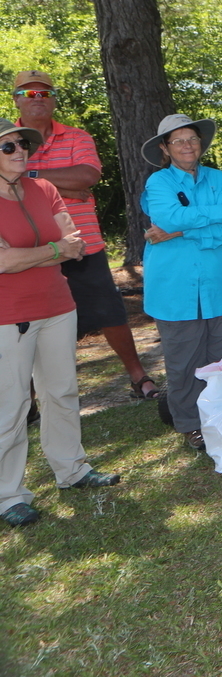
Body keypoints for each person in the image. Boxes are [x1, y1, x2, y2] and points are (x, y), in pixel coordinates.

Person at [11, 69, 160, 402]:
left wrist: (32, 175)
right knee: (28, 321)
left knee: (110, 312)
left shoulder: (77, 137)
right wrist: (63, 186)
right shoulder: (8, 139)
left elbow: (86, 176)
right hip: (31, 249)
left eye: (44, 93)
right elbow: (8, 183)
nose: (37, 100)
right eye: (28, 93)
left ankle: (138, 378)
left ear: (53, 99)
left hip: (82, 243)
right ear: (15, 98)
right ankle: (28, 399)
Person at [0, 118, 121, 528]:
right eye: (8, 147)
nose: (20, 152)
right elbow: (4, 261)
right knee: (13, 404)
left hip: (57, 306)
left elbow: (78, 246)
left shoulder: (46, 189)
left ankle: (72, 470)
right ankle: (9, 495)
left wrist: (37, 253)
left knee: (63, 392)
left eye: (23, 145)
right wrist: (54, 249)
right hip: (8, 316)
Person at [140, 114, 222, 452]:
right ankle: (189, 425)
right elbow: (169, 217)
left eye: (192, 139)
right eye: (178, 140)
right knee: (183, 363)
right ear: (165, 149)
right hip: (175, 288)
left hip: (219, 284)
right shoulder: (159, 183)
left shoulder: (221, 180)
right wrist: (216, 214)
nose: (187, 145)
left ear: (201, 144)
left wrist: (180, 231)